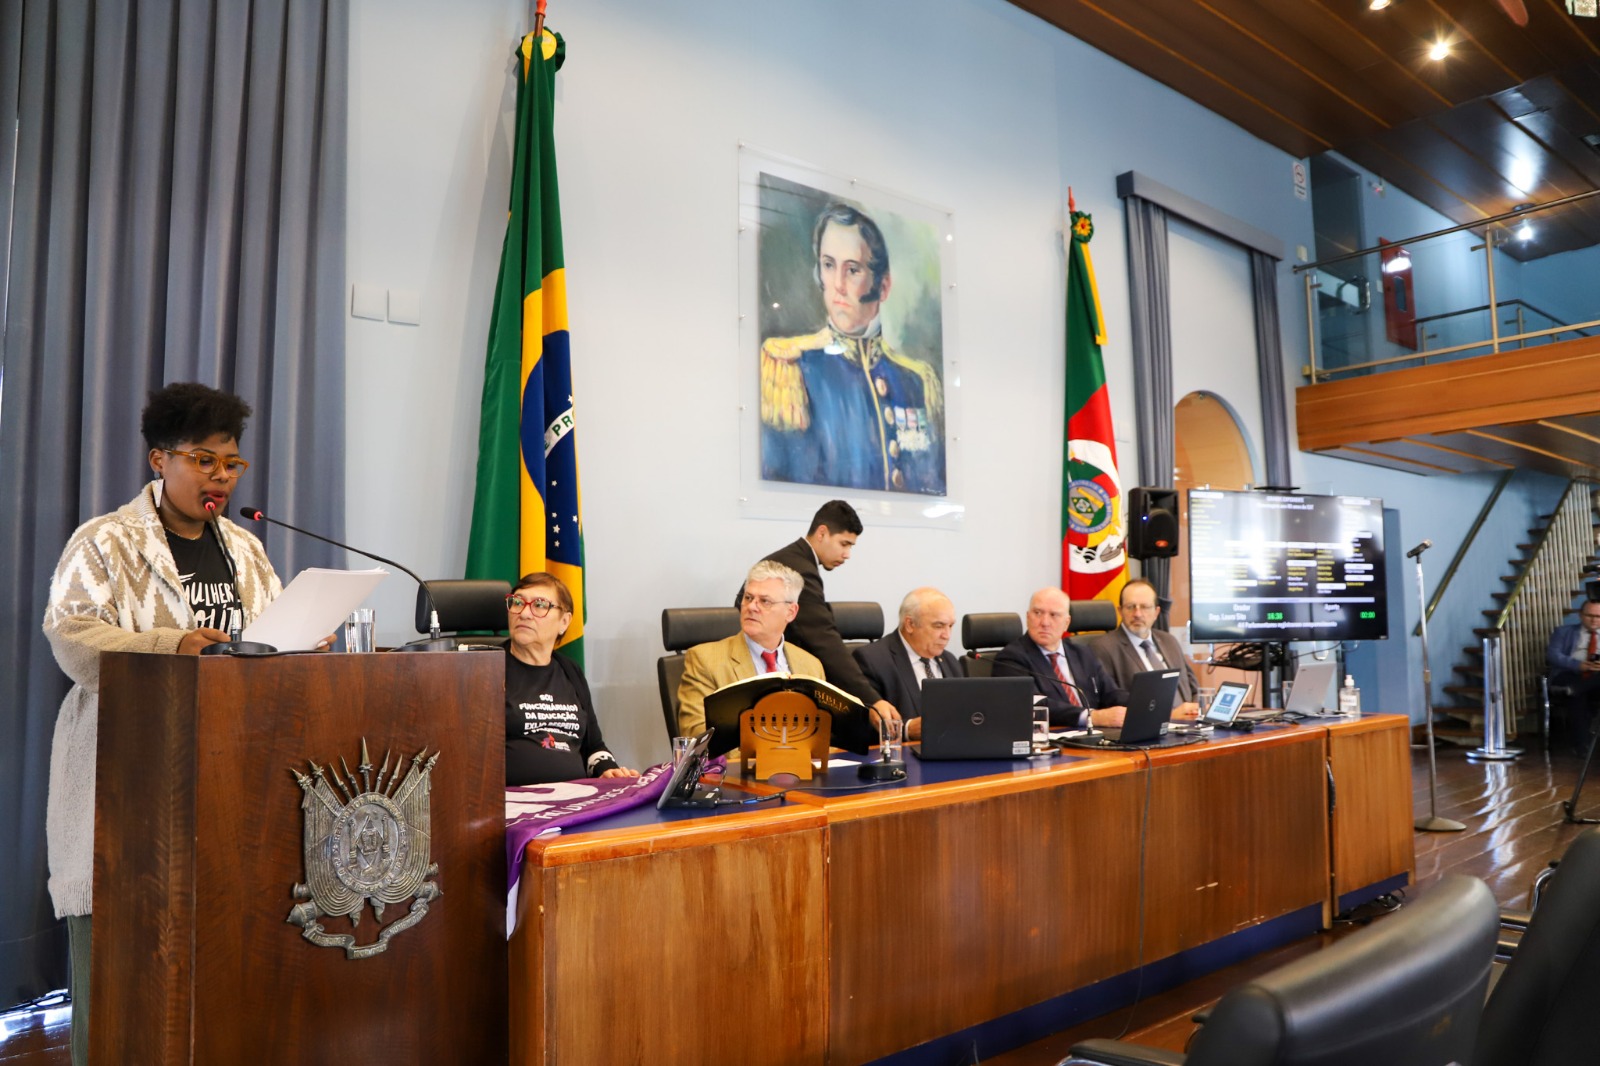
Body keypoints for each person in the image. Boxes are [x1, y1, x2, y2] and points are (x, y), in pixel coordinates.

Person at [43, 382, 298, 1066]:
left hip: (228, 774)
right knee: (120, 962)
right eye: (204, 460)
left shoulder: (244, 549)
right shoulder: (106, 542)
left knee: (211, 959)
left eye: (231, 464)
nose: (220, 476)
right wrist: (171, 644)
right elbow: (71, 637)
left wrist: (299, 646)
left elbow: (261, 641)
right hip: (131, 775)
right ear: (160, 460)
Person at [759, 202, 945, 495]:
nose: (838, 285)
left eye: (853, 270)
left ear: (883, 287)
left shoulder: (917, 382)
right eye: (829, 265)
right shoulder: (788, 370)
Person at [751, 499, 901, 732]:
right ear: (822, 533)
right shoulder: (798, 569)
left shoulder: (792, 559)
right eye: (844, 544)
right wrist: (871, 700)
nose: (847, 554)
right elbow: (825, 640)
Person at [505, 572, 637, 785]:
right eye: (517, 602)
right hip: (513, 803)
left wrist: (608, 769)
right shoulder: (489, 669)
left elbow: (594, 746)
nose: (524, 613)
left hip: (574, 800)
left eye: (539, 605)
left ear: (564, 622)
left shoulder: (570, 671)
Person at [680, 560, 825, 737]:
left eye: (765, 601)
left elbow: (819, 732)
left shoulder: (811, 666)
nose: (751, 607)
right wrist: (767, 750)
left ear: (791, 612)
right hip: (741, 764)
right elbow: (696, 733)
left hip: (800, 762)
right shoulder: (704, 660)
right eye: (748, 598)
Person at [993, 587, 1128, 729]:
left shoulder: (1082, 653)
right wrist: (1090, 717)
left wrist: (1141, 704)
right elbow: (1034, 705)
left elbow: (1112, 694)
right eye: (1038, 613)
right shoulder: (1010, 659)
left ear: (1067, 623)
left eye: (1054, 615)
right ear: (1028, 617)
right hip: (1054, 740)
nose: (1045, 622)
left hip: (1096, 736)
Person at [853, 586, 963, 740]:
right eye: (938, 626)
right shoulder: (872, 660)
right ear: (910, 624)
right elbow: (862, 727)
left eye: (950, 626)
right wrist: (907, 729)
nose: (947, 635)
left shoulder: (951, 661)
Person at [1089, 577, 1201, 717]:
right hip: (1148, 732)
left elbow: (1193, 687)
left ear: (1156, 612)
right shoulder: (1103, 648)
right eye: (1130, 607)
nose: (1137, 614)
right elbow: (1113, 702)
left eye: (1145, 607)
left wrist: (1197, 709)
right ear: (1120, 611)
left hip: (1190, 727)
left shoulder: (1169, 641)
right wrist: (1169, 716)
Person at [1547, 599, 1600, 749]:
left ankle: (1576, 688)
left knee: (1575, 692)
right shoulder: (1563, 632)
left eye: (1598, 616)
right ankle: (1583, 747)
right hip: (1569, 674)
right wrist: (1577, 665)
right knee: (1577, 698)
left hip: (1596, 678)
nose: (1594, 620)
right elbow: (1553, 655)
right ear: (1580, 615)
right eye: (1590, 615)